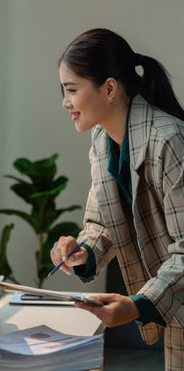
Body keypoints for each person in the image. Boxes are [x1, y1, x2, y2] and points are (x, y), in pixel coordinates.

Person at [50, 28, 184, 371]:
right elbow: (100, 223)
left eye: (71, 90)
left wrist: (138, 304)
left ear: (109, 88)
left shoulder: (169, 141)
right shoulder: (101, 140)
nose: (65, 103)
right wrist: (81, 251)